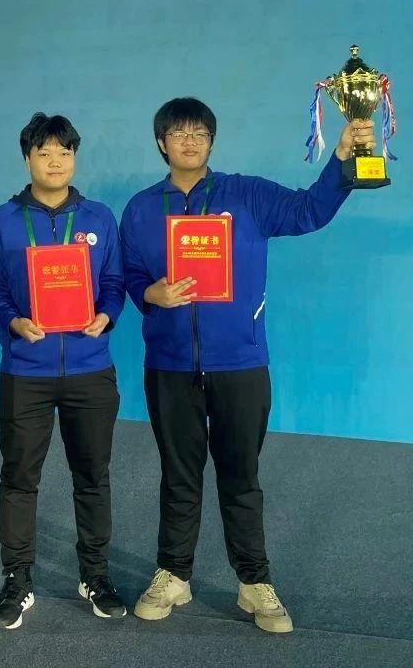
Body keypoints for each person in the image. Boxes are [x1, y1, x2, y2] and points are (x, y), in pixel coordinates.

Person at [119, 96, 373, 632]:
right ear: (161, 142)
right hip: (169, 364)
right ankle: (174, 573)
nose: (190, 141)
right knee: (179, 476)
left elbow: (309, 211)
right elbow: (129, 275)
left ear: (212, 141)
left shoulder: (248, 194)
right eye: (178, 133)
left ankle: (254, 582)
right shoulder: (141, 209)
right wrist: (150, 294)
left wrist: (343, 159)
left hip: (241, 363)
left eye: (200, 133)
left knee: (241, 476)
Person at [0, 112, 128, 629]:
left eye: (64, 152)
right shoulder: (3, 220)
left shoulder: (99, 218)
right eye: (44, 153)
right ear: (28, 159)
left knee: (93, 477)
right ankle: (17, 579)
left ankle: (96, 575)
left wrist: (107, 314)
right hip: (25, 371)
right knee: (19, 479)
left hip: (90, 369)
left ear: (74, 158)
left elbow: (114, 281)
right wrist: (12, 320)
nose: (55, 161)